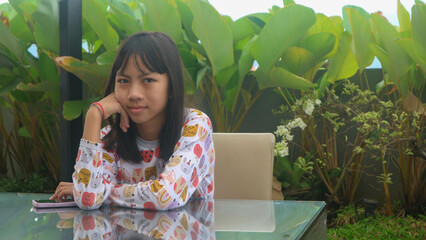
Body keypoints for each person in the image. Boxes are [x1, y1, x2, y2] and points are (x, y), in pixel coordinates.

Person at [50, 31, 215, 210]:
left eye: (148, 80)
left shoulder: (195, 126)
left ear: (171, 86)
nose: (134, 94)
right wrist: (94, 114)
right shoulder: (109, 138)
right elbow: (87, 200)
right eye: (123, 81)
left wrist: (103, 193)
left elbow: (165, 196)